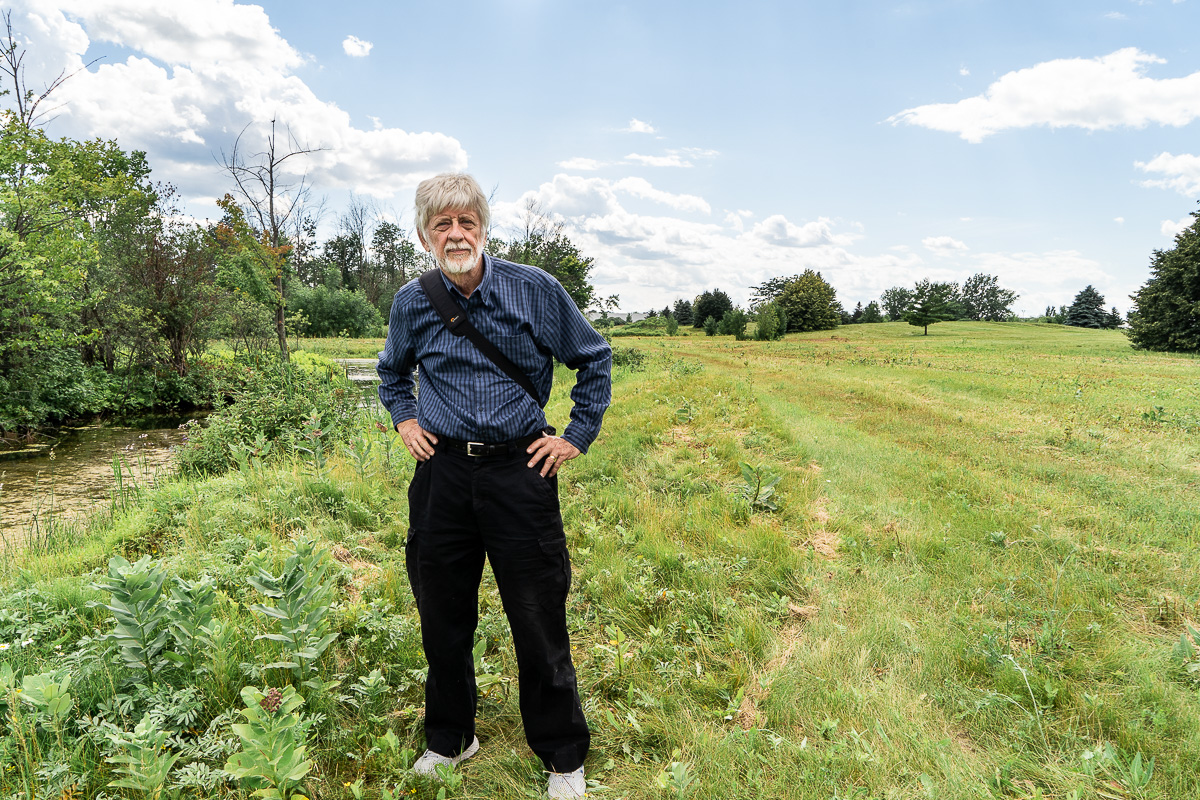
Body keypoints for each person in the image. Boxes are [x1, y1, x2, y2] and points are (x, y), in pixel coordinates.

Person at [376, 173, 611, 799]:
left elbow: (594, 357)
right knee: (442, 614)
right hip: (443, 475)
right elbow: (392, 373)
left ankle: (562, 755)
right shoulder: (412, 302)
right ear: (426, 234)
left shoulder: (533, 290)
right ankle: (450, 736)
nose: (456, 234)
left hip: (519, 471)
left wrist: (575, 436)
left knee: (537, 615)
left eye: (466, 222)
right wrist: (404, 419)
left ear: (483, 227)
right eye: (442, 224)